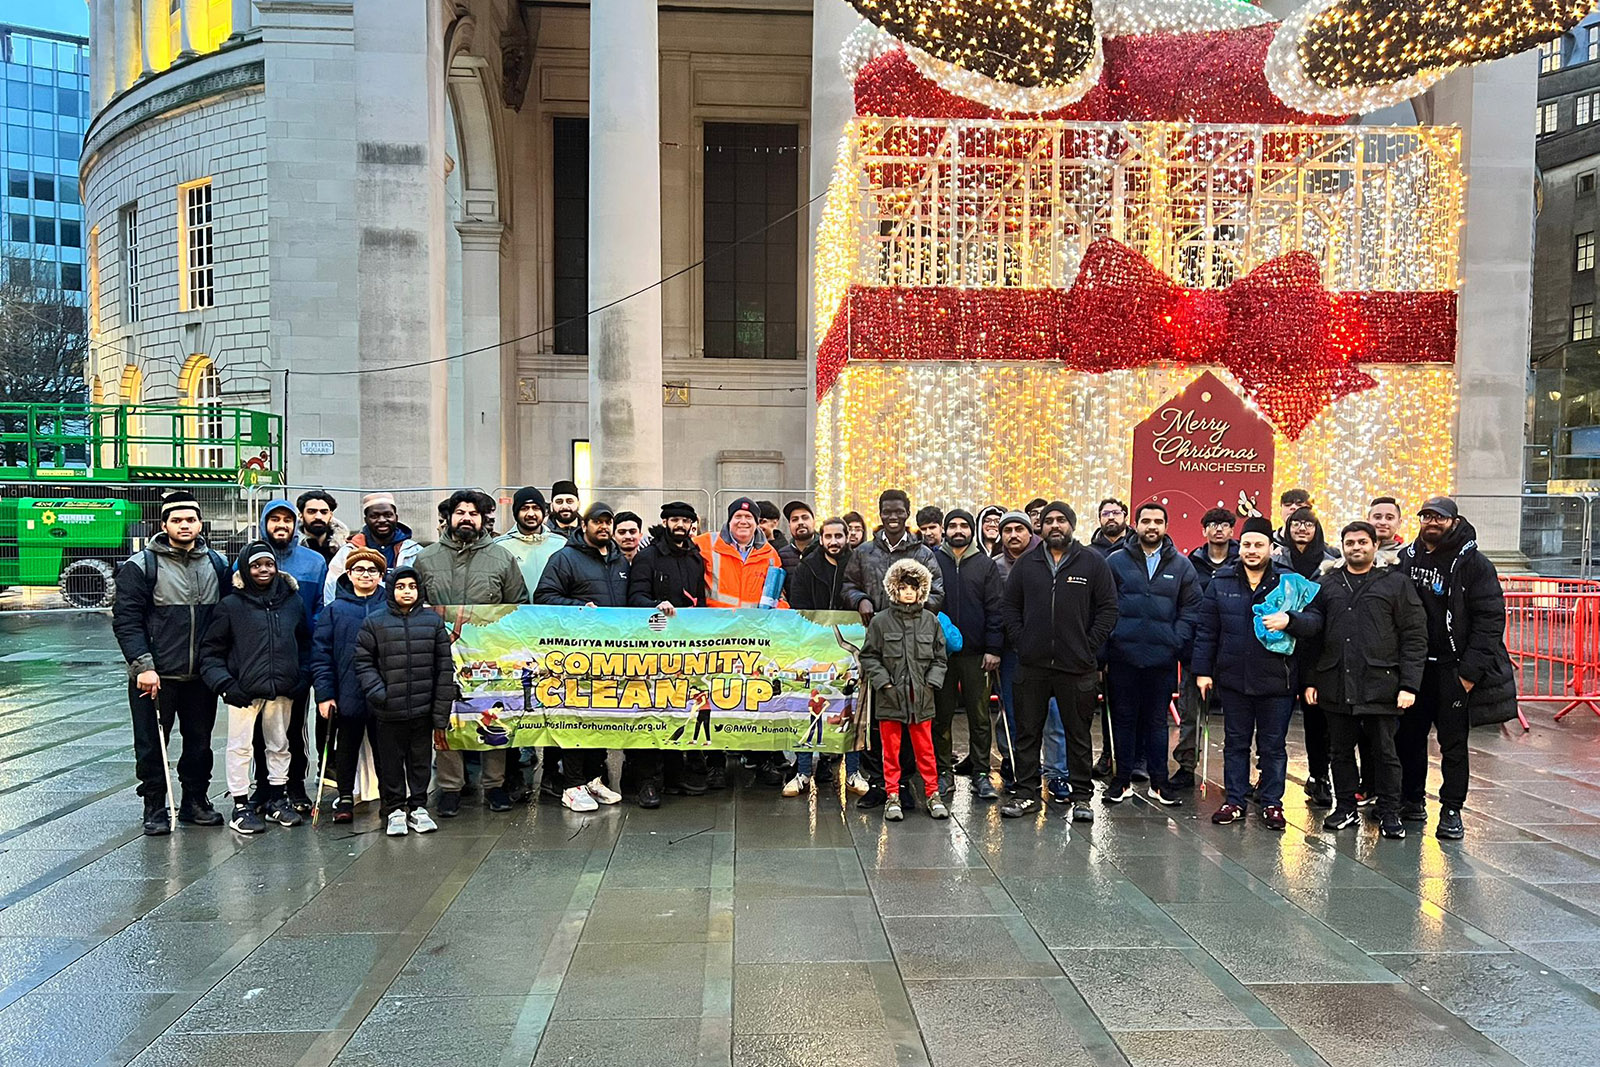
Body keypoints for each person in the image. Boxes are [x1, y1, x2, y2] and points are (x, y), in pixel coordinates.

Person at [1397, 496, 1519, 840]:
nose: (1431, 522)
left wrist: (1469, 673)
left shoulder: (1475, 564)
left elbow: (1491, 620)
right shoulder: (1408, 557)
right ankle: (1412, 800)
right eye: (1426, 516)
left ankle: (1451, 808)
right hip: (1417, 667)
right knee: (1409, 739)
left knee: (1453, 744)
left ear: (1454, 520)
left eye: (1439, 517)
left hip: (1454, 668)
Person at [1193, 515, 1323, 831]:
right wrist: (1202, 671)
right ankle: (1234, 800)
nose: (1252, 550)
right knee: (1236, 743)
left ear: (1270, 547)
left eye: (1259, 545)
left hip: (1277, 679)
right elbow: (1207, 630)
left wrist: (1290, 620)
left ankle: (1271, 804)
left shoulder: (1289, 581)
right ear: (1241, 546)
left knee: (1273, 746)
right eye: (1248, 544)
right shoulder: (1221, 582)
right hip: (1234, 678)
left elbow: (1316, 623)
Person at [112, 490, 231, 835]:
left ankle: (195, 799)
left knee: (200, 741)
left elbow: (226, 617)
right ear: (163, 524)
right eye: (177, 520)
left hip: (200, 676)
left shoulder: (216, 564)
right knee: (151, 743)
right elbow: (127, 620)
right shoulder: (142, 566)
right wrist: (143, 666)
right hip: (156, 674)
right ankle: (154, 805)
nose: (184, 525)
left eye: (190, 520)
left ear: (199, 524)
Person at [1304, 521, 1427, 840]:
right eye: (1350, 543)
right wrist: (1311, 680)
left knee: (1385, 752)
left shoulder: (1396, 584)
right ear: (1342, 547)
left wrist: (1409, 684)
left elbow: (1414, 636)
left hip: (1381, 683)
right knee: (1340, 751)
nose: (1356, 548)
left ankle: (1389, 811)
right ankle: (1345, 807)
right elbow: (1315, 635)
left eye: (1362, 542)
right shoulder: (1328, 583)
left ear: (1375, 546)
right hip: (1336, 681)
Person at [999, 501, 1118, 821]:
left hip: (1077, 666)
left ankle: (1081, 796)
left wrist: (1088, 646)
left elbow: (1108, 609)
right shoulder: (1026, 564)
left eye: (1061, 520)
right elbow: (1009, 608)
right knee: (1027, 732)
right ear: (1041, 527)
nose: (1054, 525)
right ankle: (1026, 794)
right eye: (1049, 520)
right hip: (1032, 665)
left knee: (1077, 734)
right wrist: (1023, 642)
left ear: (1072, 525)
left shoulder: (1092, 563)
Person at [413, 490, 529, 816]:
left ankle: (494, 785)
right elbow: (413, 604)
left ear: (483, 519)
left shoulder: (502, 558)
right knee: (447, 718)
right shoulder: (427, 558)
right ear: (449, 518)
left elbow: (517, 605)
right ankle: (451, 787)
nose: (466, 518)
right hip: (441, 654)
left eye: (473, 513)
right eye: (460, 512)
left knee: (492, 715)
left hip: (489, 655)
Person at [199, 541, 311, 835]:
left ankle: (277, 797)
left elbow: (306, 642)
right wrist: (225, 685)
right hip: (243, 691)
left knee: (279, 744)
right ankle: (240, 803)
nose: (264, 570)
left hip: (282, 688)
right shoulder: (231, 606)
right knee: (240, 747)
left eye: (269, 564)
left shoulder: (292, 602)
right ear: (245, 569)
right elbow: (211, 652)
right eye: (256, 565)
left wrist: (303, 675)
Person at [842, 490, 944, 810]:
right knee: (879, 720)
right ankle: (880, 784)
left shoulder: (923, 553)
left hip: (914, 646)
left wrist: (910, 610)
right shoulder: (864, 552)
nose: (893, 516)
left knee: (914, 723)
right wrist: (860, 599)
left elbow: (936, 591)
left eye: (899, 511)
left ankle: (906, 784)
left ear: (907, 513)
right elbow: (848, 585)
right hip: (878, 642)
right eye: (887, 511)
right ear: (880, 513)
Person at [536, 501, 631, 811]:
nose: (603, 527)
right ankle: (571, 784)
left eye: (608, 522)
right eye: (597, 522)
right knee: (575, 718)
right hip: (575, 655)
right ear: (585, 524)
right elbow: (545, 597)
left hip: (611, 655)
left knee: (600, 718)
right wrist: (578, 607)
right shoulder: (565, 558)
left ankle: (592, 779)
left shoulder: (619, 560)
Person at [1104, 502, 1200, 807]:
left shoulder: (1182, 565)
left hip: (1162, 658)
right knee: (1123, 720)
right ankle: (1121, 782)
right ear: (1136, 524)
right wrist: (1111, 641)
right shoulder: (1116, 561)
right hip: (1123, 656)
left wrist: (1175, 639)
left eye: (1158, 521)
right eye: (1146, 521)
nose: (1152, 526)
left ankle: (1160, 782)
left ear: (1166, 526)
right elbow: (1103, 605)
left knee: (1157, 722)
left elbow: (1191, 609)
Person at [354, 566, 449, 837]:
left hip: (422, 709)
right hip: (388, 710)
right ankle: (394, 808)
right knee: (391, 762)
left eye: (411, 587)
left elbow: (444, 667)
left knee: (420, 761)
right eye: (400, 587)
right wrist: (378, 693)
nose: (406, 592)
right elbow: (363, 662)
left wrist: (439, 710)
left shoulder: (432, 623)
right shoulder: (375, 622)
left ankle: (418, 806)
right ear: (391, 589)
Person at [626, 501, 710, 805]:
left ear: (692, 525)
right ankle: (646, 780)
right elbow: (634, 597)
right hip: (653, 645)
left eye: (684, 520)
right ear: (664, 522)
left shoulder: (695, 557)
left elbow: (699, 600)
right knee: (650, 709)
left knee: (679, 707)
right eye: (673, 519)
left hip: (685, 647)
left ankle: (675, 774)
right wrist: (654, 605)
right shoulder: (647, 557)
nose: (679, 525)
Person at [250, 498, 328, 813]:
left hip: (298, 658)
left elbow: (321, 610)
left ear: (295, 524)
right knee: (258, 730)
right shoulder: (248, 559)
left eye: (286, 519)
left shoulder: (313, 562)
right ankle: (264, 787)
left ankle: (295, 784)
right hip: (257, 661)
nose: (281, 525)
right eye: (274, 520)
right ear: (264, 523)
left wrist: (312, 658)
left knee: (295, 728)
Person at [860, 560, 949, 822]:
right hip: (890, 699)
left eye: (914, 587)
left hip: (921, 699)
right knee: (891, 751)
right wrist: (884, 683)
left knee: (925, 750)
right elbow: (869, 656)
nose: (908, 592)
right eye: (903, 586)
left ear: (922, 590)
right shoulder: (880, 621)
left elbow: (939, 657)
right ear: (893, 589)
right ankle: (892, 796)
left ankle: (933, 794)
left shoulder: (930, 621)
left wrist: (931, 682)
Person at [784, 517, 867, 795]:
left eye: (839, 536)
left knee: (850, 710)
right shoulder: (807, 567)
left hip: (848, 647)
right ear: (821, 539)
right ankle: (803, 772)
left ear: (847, 538)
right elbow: (799, 607)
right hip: (814, 646)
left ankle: (853, 772)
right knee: (806, 710)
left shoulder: (857, 564)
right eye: (828, 536)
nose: (834, 542)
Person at [310, 547, 389, 823]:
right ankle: (345, 796)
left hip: (383, 690)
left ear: (380, 575)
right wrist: (324, 694)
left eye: (372, 570)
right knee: (346, 746)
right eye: (359, 569)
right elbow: (320, 654)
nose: (365, 575)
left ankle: (390, 797)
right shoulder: (334, 610)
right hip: (347, 689)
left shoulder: (390, 606)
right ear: (349, 573)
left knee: (384, 746)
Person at [932, 509, 1003, 800]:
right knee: (941, 714)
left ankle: (981, 772)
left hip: (977, 654)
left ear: (972, 530)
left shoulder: (985, 565)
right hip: (940, 655)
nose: (958, 530)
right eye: (952, 526)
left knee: (979, 716)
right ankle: (943, 772)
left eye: (963, 525)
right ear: (945, 530)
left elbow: (995, 609)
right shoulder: (934, 561)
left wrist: (993, 648)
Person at [1272, 506, 1339, 807]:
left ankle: (1319, 776)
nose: (1301, 529)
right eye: (1295, 523)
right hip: (1280, 648)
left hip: (1317, 650)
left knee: (1317, 719)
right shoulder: (1275, 559)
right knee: (1274, 718)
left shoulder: (1332, 561)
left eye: (1308, 524)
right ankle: (1267, 775)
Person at [1173, 507, 1238, 788]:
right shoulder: (1191, 564)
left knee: (1239, 720)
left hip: (1234, 652)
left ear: (1232, 530)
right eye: (1212, 524)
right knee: (1191, 714)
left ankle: (1238, 776)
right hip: (1195, 650)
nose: (1218, 529)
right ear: (1204, 531)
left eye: (1224, 524)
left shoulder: (1242, 563)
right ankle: (1186, 766)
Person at [1086, 497, 1132, 778]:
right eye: (1106, 513)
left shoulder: (1137, 550)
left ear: (1125, 516)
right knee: (1103, 706)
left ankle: (1133, 758)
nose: (1111, 518)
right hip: (1098, 637)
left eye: (1116, 512)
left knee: (1128, 704)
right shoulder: (1090, 553)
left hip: (1131, 635)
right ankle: (1106, 754)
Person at [324, 493, 424, 601]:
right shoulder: (348, 552)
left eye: (388, 515)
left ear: (396, 517)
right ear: (366, 520)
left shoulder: (415, 551)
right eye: (374, 516)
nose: (381, 520)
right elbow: (331, 588)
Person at [495, 486, 566, 592]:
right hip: (515, 608)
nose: (531, 514)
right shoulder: (499, 546)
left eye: (536, 508)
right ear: (516, 513)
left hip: (552, 608)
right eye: (524, 508)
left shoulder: (562, 544)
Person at [297, 490, 347, 563]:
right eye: (311, 512)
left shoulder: (344, 550)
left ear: (330, 516)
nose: (318, 517)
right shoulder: (291, 548)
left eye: (324, 512)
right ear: (301, 515)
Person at [1368, 496, 1406, 565]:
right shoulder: (1355, 550)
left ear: (1399, 523)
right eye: (1377, 517)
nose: (1383, 522)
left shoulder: (1406, 554)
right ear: (1368, 521)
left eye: (1389, 518)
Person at [783, 500, 818, 565]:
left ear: (814, 522)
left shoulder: (825, 551)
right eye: (795, 519)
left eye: (805, 518)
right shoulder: (782, 555)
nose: (800, 522)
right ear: (789, 526)